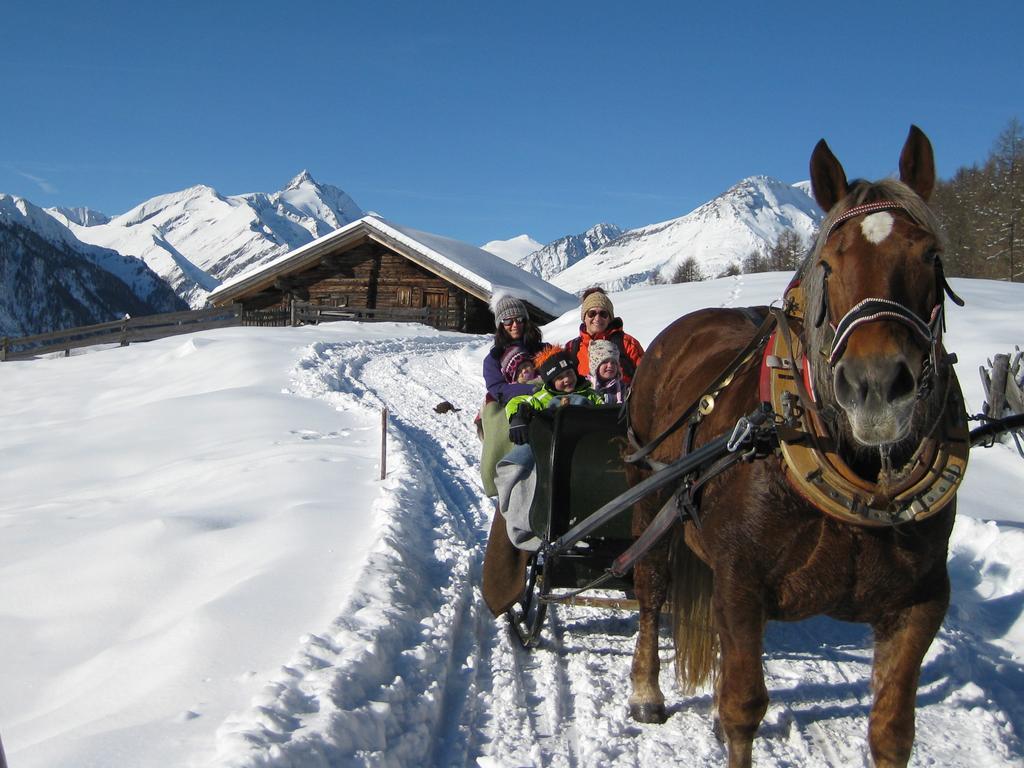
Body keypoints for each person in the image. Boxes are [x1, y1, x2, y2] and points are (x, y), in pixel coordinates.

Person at [496, 346, 605, 551]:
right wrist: (518, 415)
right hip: (549, 450)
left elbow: (602, 408)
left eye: (570, 373)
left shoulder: (589, 394)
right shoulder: (543, 397)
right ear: (550, 381)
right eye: (560, 377)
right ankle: (527, 524)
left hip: (584, 449)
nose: (567, 380)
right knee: (520, 472)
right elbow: (518, 401)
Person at [564, 287, 644, 385]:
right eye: (591, 313)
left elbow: (647, 376)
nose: (597, 318)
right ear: (584, 317)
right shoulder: (572, 348)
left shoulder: (627, 343)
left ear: (610, 318)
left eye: (603, 314)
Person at [587, 339, 626, 404]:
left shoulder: (623, 388)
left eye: (613, 362)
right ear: (595, 366)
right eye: (605, 362)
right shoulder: (586, 387)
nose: (610, 366)